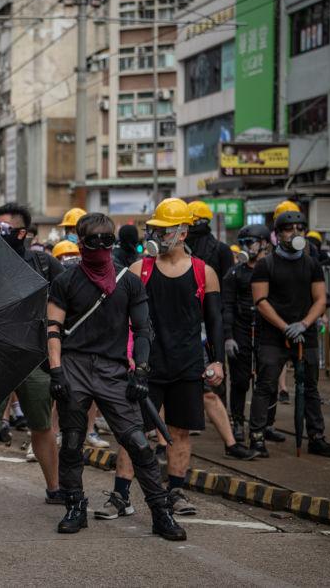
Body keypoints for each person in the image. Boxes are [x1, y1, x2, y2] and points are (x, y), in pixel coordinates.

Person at [46, 212, 185, 541]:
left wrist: (142, 371)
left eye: (106, 242)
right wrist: (56, 371)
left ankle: (161, 513)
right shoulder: (65, 280)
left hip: (113, 370)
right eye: (93, 242)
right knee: (72, 443)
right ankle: (75, 506)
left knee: (138, 444)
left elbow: (143, 329)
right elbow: (53, 329)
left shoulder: (128, 281)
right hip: (75, 365)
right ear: (81, 243)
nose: (100, 248)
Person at [108, 198, 224, 518]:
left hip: (187, 364)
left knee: (180, 432)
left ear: (183, 233)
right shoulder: (139, 269)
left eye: (164, 230)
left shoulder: (204, 273)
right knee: (132, 430)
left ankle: (175, 492)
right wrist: (126, 358)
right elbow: (121, 320)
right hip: (145, 364)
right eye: (154, 230)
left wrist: (216, 362)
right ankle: (120, 495)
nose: (157, 236)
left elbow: (214, 321)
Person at [0, 203, 63, 513]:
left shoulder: (44, 263)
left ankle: (55, 487)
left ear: (21, 233)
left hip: (33, 360)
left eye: (2, 229)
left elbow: (67, 301)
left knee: (42, 425)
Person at [250, 209, 330, 458]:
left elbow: (320, 299)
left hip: (303, 335)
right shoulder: (266, 265)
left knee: (310, 387)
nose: (295, 233)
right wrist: (284, 326)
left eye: (299, 228)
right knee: (265, 385)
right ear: (278, 234)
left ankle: (316, 436)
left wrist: (304, 324)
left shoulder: (312, 264)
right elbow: (261, 301)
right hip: (273, 335)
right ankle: (257, 436)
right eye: (288, 229)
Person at [223, 224, 273, 445]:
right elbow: (227, 305)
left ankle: (265, 426)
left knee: (266, 382)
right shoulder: (234, 273)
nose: (246, 247)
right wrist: (228, 336)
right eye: (242, 243)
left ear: (264, 243)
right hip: (241, 331)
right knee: (240, 381)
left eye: (249, 242)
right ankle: (237, 422)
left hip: (267, 332)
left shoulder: (272, 269)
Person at [186, 201, 234, 279]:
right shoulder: (180, 247)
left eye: (193, 222)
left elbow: (228, 284)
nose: (189, 227)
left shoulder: (222, 250)